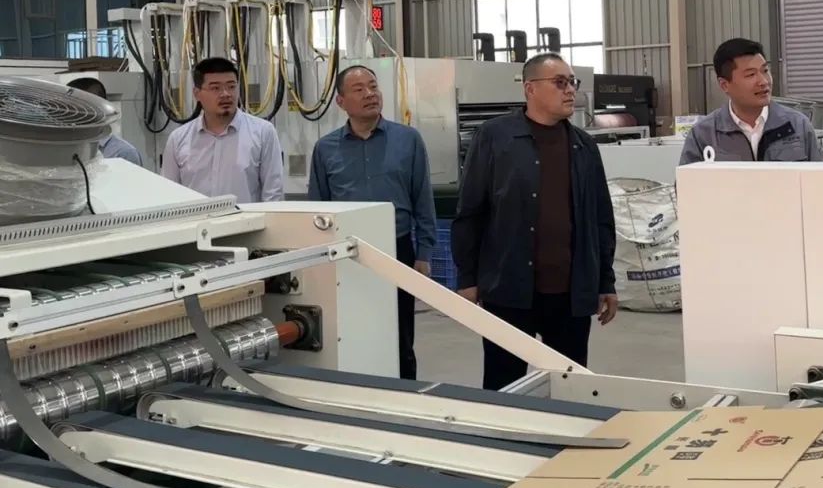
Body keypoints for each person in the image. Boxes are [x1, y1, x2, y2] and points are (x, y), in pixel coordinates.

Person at [453, 52, 618, 391]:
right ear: (530, 88)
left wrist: (606, 281)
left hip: (571, 293)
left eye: (572, 82)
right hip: (509, 290)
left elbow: (601, 218)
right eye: (560, 82)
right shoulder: (495, 137)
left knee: (571, 386)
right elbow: (470, 210)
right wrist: (468, 278)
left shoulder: (584, 146)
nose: (570, 90)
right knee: (504, 385)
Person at [308, 64, 437, 380]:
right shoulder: (325, 149)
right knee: (351, 333)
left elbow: (423, 199)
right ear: (341, 101)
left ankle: (405, 396)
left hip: (397, 250)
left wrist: (423, 254)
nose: (370, 94)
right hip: (346, 255)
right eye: (359, 89)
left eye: (373, 86)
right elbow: (317, 208)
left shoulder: (408, 140)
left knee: (400, 334)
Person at [161, 57, 284, 203]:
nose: (226, 94)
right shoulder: (178, 139)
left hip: (247, 218)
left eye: (231, 86)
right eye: (215, 88)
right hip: (197, 218)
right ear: (197, 93)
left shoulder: (263, 133)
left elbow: (273, 194)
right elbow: (169, 194)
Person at [680, 38, 823, 164]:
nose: (763, 81)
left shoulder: (797, 125)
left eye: (765, 71)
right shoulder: (704, 134)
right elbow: (685, 184)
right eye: (751, 75)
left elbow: (821, 180)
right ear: (724, 85)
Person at [67, 77, 143, 166]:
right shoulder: (64, 148)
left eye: (85, 106)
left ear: (103, 107)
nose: (77, 113)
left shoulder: (124, 153)